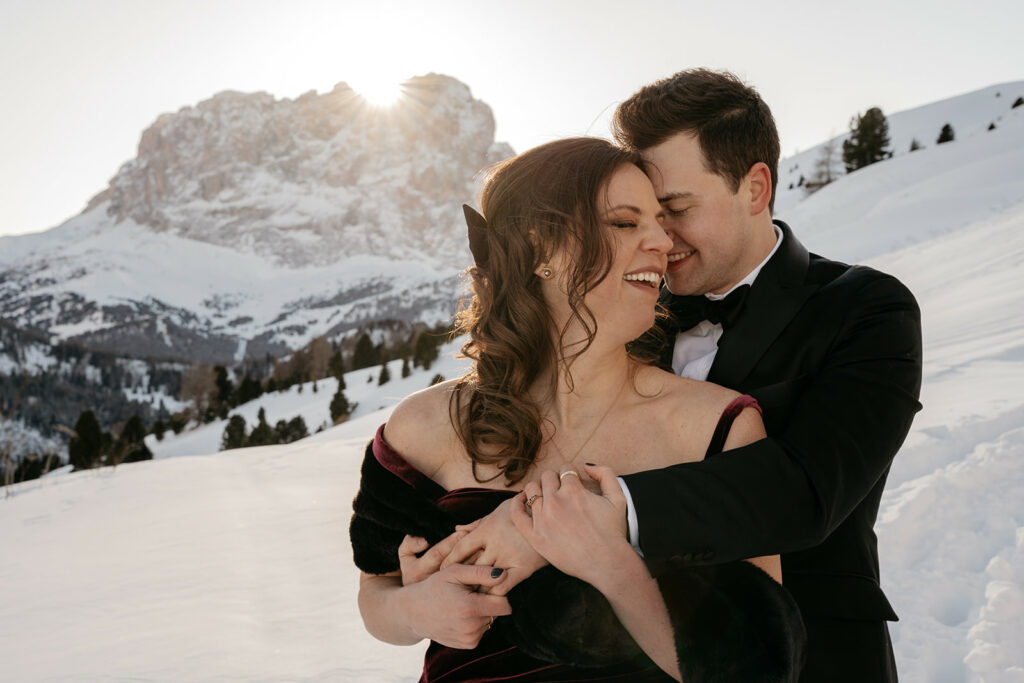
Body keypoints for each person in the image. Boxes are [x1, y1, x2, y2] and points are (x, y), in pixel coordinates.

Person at [447, 69, 923, 682]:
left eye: (673, 210)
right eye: (640, 215)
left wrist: (587, 514)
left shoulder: (864, 309)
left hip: (813, 654)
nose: (657, 239)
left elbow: (807, 489)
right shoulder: (627, 310)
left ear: (755, 188)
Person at [350, 137, 805, 682]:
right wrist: (414, 610)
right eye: (625, 222)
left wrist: (609, 565)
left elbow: (761, 665)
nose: (664, 241)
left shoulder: (715, 427)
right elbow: (376, 591)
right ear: (540, 248)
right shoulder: (425, 425)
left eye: (662, 221)